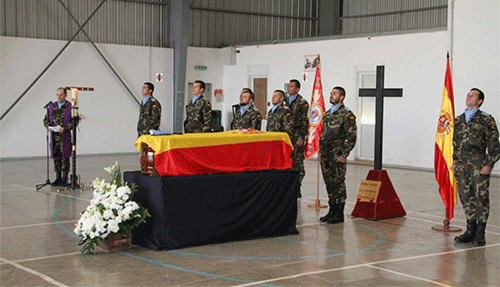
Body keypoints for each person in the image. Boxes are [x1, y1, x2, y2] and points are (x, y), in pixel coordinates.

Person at [451, 88, 499, 247]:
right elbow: (455, 144)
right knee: (466, 197)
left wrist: (489, 164)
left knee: (481, 198)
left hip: (479, 165)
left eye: (473, 95)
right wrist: (455, 162)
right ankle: (470, 230)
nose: (468, 96)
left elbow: (494, 145)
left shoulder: (486, 120)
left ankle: (480, 233)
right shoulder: (458, 120)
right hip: (462, 166)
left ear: (479, 101)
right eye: (468, 94)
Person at [319, 86, 357, 224]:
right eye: (331, 93)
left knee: (338, 183)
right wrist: (320, 150)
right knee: (329, 182)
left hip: (337, 154)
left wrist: (345, 154)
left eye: (335, 93)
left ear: (341, 97)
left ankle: (339, 212)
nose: (332, 95)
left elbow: (351, 135)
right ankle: (332, 210)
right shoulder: (328, 114)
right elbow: (323, 134)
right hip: (326, 154)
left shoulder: (347, 115)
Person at [43, 87, 73, 186]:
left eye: (61, 95)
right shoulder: (52, 106)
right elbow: (46, 119)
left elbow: (74, 121)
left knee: (65, 157)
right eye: (58, 95)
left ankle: (64, 178)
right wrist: (48, 126)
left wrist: (65, 128)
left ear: (65, 95)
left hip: (64, 136)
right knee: (56, 157)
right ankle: (58, 178)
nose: (59, 97)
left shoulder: (70, 106)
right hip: (54, 135)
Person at [286, 79, 309, 196]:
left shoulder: (302, 103)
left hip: (296, 138)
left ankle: (297, 187)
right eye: (288, 87)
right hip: (286, 138)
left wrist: (301, 137)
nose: (289, 89)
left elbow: (304, 122)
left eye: (291, 87)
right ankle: (288, 187)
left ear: (297, 89)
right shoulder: (284, 101)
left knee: (297, 164)